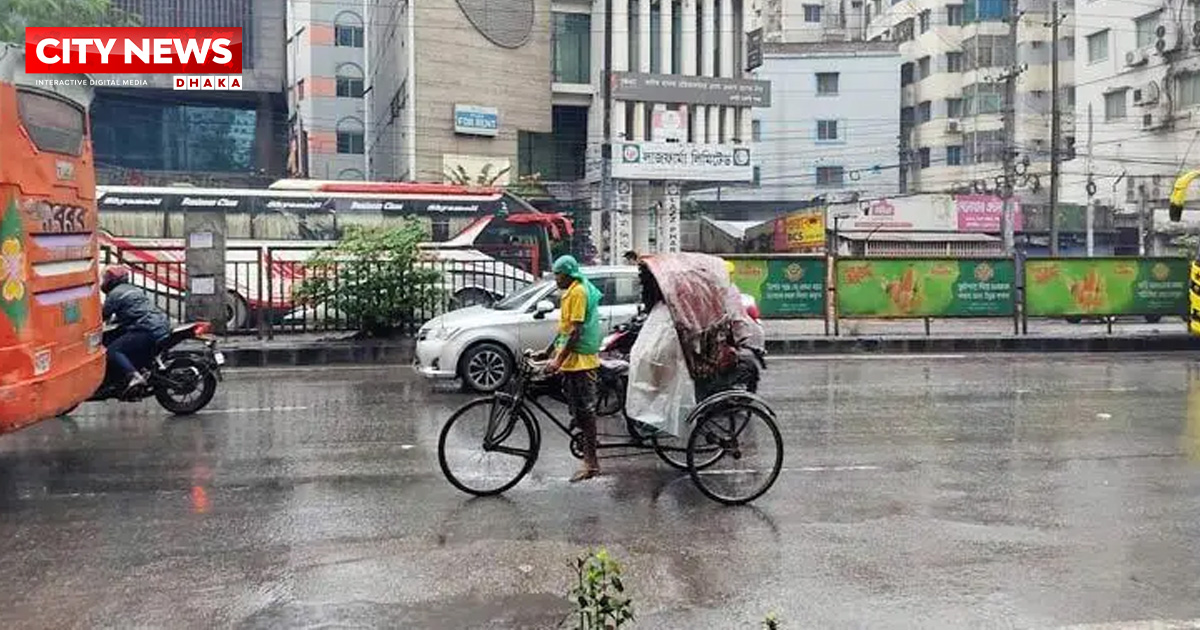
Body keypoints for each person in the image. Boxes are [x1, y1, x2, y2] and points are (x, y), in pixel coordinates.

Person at [537, 255, 604, 482]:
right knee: (575, 406)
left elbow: (575, 332)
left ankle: (592, 463)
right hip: (572, 358)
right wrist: (547, 352)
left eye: (558, 274)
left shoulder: (578, 292)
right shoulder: (570, 291)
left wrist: (557, 361)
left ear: (569, 274)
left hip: (582, 360)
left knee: (586, 411)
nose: (555, 278)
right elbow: (565, 328)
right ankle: (586, 436)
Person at [101, 265, 171, 391]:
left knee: (113, 351)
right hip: (160, 324)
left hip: (147, 329)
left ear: (113, 280)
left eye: (106, 278)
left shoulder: (115, 295)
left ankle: (135, 376)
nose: (104, 281)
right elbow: (131, 311)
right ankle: (141, 368)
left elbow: (102, 315)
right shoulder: (134, 289)